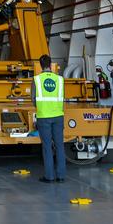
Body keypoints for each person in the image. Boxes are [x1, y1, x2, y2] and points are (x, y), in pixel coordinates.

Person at [33, 54, 67, 183]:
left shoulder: (37, 79)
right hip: (58, 116)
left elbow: (33, 99)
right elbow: (63, 97)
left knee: (47, 147)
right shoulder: (60, 79)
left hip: (44, 117)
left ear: (41, 66)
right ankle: (61, 176)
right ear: (51, 65)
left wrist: (42, 107)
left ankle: (49, 176)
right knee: (59, 145)